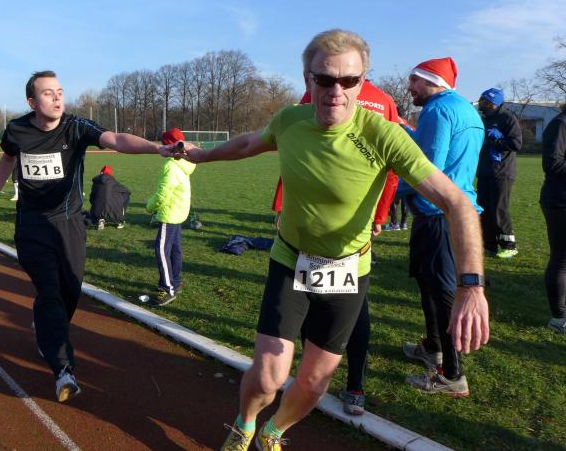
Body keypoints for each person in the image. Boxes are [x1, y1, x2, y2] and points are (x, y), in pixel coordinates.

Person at [176, 30, 489, 450]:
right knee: (268, 376)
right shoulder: (290, 120)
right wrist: (201, 155)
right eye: (324, 79)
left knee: (314, 382)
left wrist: (471, 287)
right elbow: (250, 143)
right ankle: (245, 424)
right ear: (308, 78)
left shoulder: (385, 135)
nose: (336, 91)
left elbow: (458, 204)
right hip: (291, 260)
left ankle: (273, 433)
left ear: (363, 81)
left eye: (349, 80)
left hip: (347, 271)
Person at [0, 70, 174, 402]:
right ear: (32, 102)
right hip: (32, 224)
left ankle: (45, 325)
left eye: (60, 91)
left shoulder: (76, 127)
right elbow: (8, 158)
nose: (57, 97)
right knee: (51, 291)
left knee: (70, 289)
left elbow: (116, 140)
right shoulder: (17, 130)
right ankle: (63, 369)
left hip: (69, 222)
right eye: (47, 93)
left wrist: (157, 148)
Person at [273, 80, 401, 416]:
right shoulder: (382, 100)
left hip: (323, 227)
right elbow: (391, 172)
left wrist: (281, 205)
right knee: (351, 308)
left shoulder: (334, 91)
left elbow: (294, 155)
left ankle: (325, 378)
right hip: (343, 228)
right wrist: (380, 216)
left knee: (319, 300)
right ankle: (350, 387)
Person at [398, 57, 485, 397]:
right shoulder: (465, 109)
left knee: (443, 294)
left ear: (432, 81)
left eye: (414, 81)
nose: (410, 88)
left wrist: (385, 192)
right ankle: (432, 348)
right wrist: (408, 132)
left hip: (438, 213)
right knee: (430, 287)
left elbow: (426, 167)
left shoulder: (436, 110)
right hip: (454, 211)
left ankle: (452, 374)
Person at [146, 128, 196, 306]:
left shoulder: (170, 165)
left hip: (170, 214)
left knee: (161, 250)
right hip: (179, 212)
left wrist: (149, 206)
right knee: (175, 249)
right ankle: (176, 281)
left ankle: (168, 288)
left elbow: (162, 194)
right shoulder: (185, 163)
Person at [477, 88, 522, 259]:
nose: (481, 103)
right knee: (484, 209)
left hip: (502, 172)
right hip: (484, 171)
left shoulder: (508, 118)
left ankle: (509, 245)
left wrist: (498, 140)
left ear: (493, 103)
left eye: (484, 101)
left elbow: (516, 144)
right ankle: (489, 245)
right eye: (481, 99)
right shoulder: (482, 119)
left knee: (498, 209)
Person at [541, 103, 566, 334]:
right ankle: (559, 318)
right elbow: (552, 163)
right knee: (561, 258)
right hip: (559, 202)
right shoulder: (560, 124)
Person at [89, 165, 131, 229]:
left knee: (98, 200)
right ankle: (119, 221)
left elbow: (91, 198)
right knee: (126, 195)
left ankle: (100, 219)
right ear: (111, 174)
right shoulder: (113, 182)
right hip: (114, 213)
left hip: (96, 212)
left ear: (101, 173)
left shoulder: (96, 183)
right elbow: (127, 191)